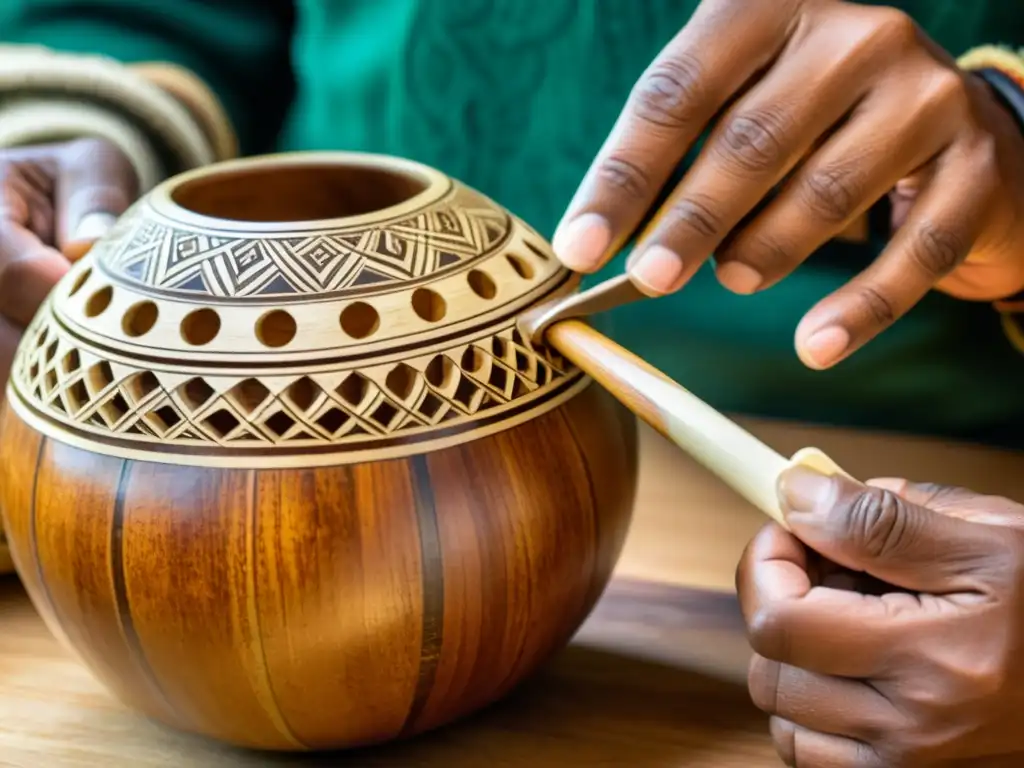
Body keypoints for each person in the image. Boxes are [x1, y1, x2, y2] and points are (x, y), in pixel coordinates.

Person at [0, 1, 1022, 764]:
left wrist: (1009, 131)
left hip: (935, 539)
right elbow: (140, 16)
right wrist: (70, 166)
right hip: (210, 397)